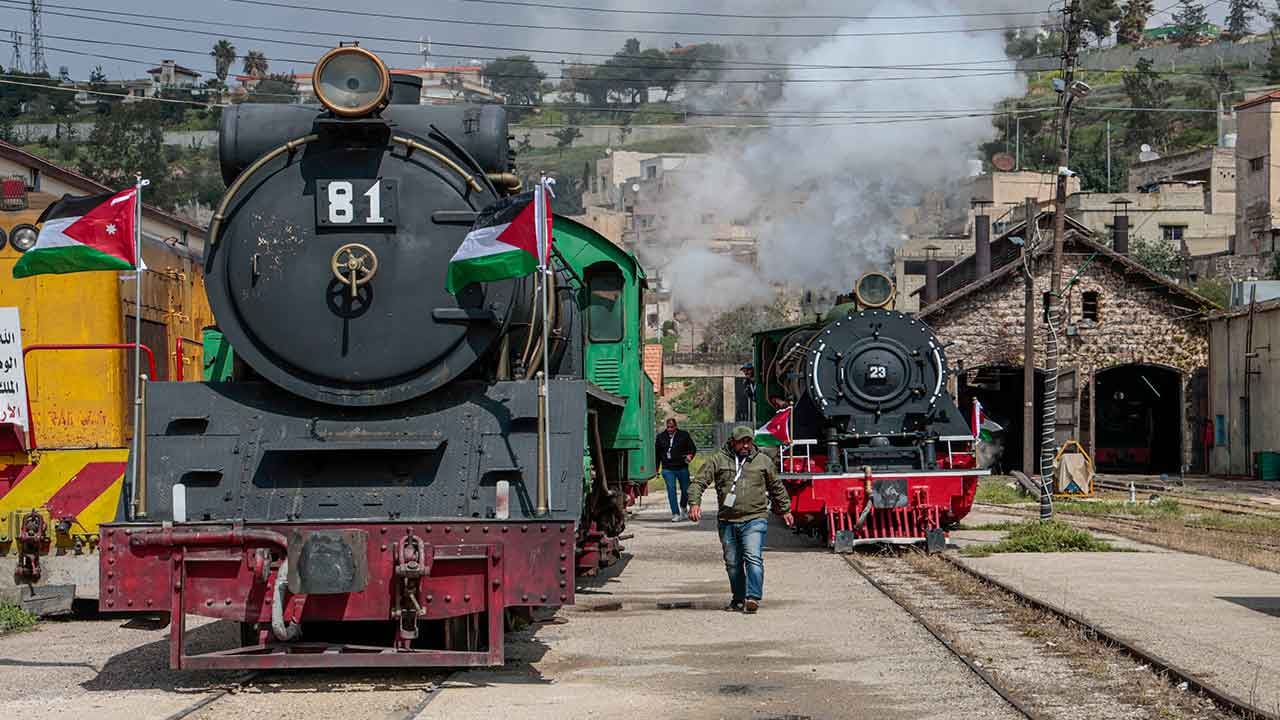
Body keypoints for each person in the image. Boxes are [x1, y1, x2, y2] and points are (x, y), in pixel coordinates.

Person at [688, 426, 793, 614]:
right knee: (733, 563)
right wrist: (694, 503)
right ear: (732, 441)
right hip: (728, 521)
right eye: (741, 441)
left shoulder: (763, 461)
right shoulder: (718, 460)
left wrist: (785, 509)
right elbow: (698, 482)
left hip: (755, 518)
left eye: (748, 441)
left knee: (753, 557)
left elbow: (776, 486)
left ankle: (752, 598)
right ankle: (738, 598)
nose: (745, 445)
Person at [655, 418, 697, 522]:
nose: (669, 429)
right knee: (671, 490)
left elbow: (692, 448)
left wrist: (690, 456)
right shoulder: (660, 437)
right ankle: (675, 513)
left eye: (672, 427)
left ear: (676, 426)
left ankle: (683, 507)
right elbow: (657, 455)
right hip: (667, 468)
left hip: (682, 467)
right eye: (668, 427)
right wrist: (656, 469)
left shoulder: (684, 435)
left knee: (686, 490)